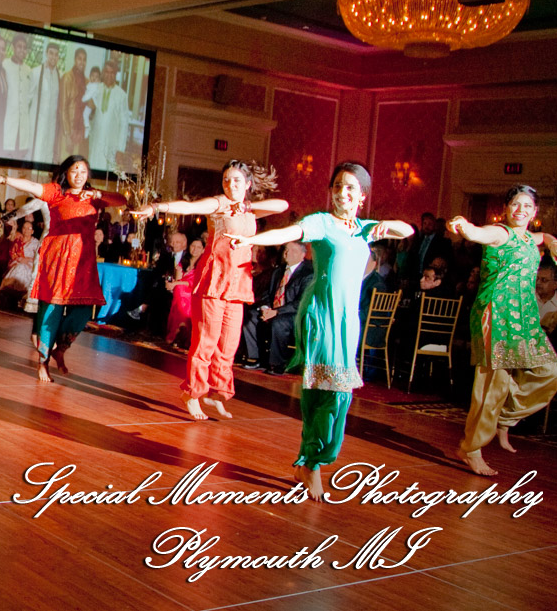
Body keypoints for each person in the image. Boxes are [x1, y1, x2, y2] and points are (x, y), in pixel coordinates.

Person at [228, 162, 413, 503]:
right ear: (332, 191)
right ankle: (312, 462)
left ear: (362, 197)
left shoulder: (364, 229)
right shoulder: (322, 223)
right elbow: (290, 233)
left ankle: (308, 459)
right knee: (329, 390)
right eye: (339, 186)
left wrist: (388, 225)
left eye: (351, 188)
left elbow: (407, 230)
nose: (343, 193)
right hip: (322, 315)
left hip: (348, 321)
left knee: (340, 395)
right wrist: (252, 239)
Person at [134, 160, 288, 420]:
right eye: (226, 179)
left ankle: (216, 392)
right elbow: (190, 206)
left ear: (248, 184)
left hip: (237, 283)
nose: (230, 184)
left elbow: (281, 205)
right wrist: (157, 207)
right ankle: (193, 393)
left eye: (237, 180)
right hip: (214, 281)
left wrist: (247, 205)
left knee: (228, 344)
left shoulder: (249, 210)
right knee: (206, 341)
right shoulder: (219, 205)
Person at [446, 187, 557, 476]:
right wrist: (463, 225)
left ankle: (504, 416)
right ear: (507, 207)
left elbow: (544, 237)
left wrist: (554, 244)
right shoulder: (500, 233)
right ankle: (471, 448)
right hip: (496, 314)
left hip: (525, 317)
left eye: (527, 206)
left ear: (535, 211)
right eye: (516, 204)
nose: (521, 210)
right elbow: (477, 233)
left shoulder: (530, 238)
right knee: (492, 384)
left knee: (550, 373)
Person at [0, 156, 127, 383]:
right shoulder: (56, 192)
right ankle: (43, 362)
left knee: (81, 313)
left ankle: (60, 349)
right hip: (58, 258)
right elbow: (32, 186)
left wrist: (98, 194)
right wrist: (4, 179)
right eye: (74, 170)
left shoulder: (94, 196)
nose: (79, 175)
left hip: (83, 262)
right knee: (51, 310)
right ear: (66, 173)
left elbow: (121, 200)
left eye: (83, 171)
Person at [246, 241, 314, 375]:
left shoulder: (308, 273)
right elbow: (268, 295)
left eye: (292, 251)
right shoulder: (278, 271)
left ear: (303, 254)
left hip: (295, 314)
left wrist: (276, 312)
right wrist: (265, 308)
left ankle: (277, 363)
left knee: (279, 322)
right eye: (286, 250)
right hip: (274, 309)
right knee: (252, 315)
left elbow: (301, 302)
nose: (287, 253)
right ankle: (255, 358)